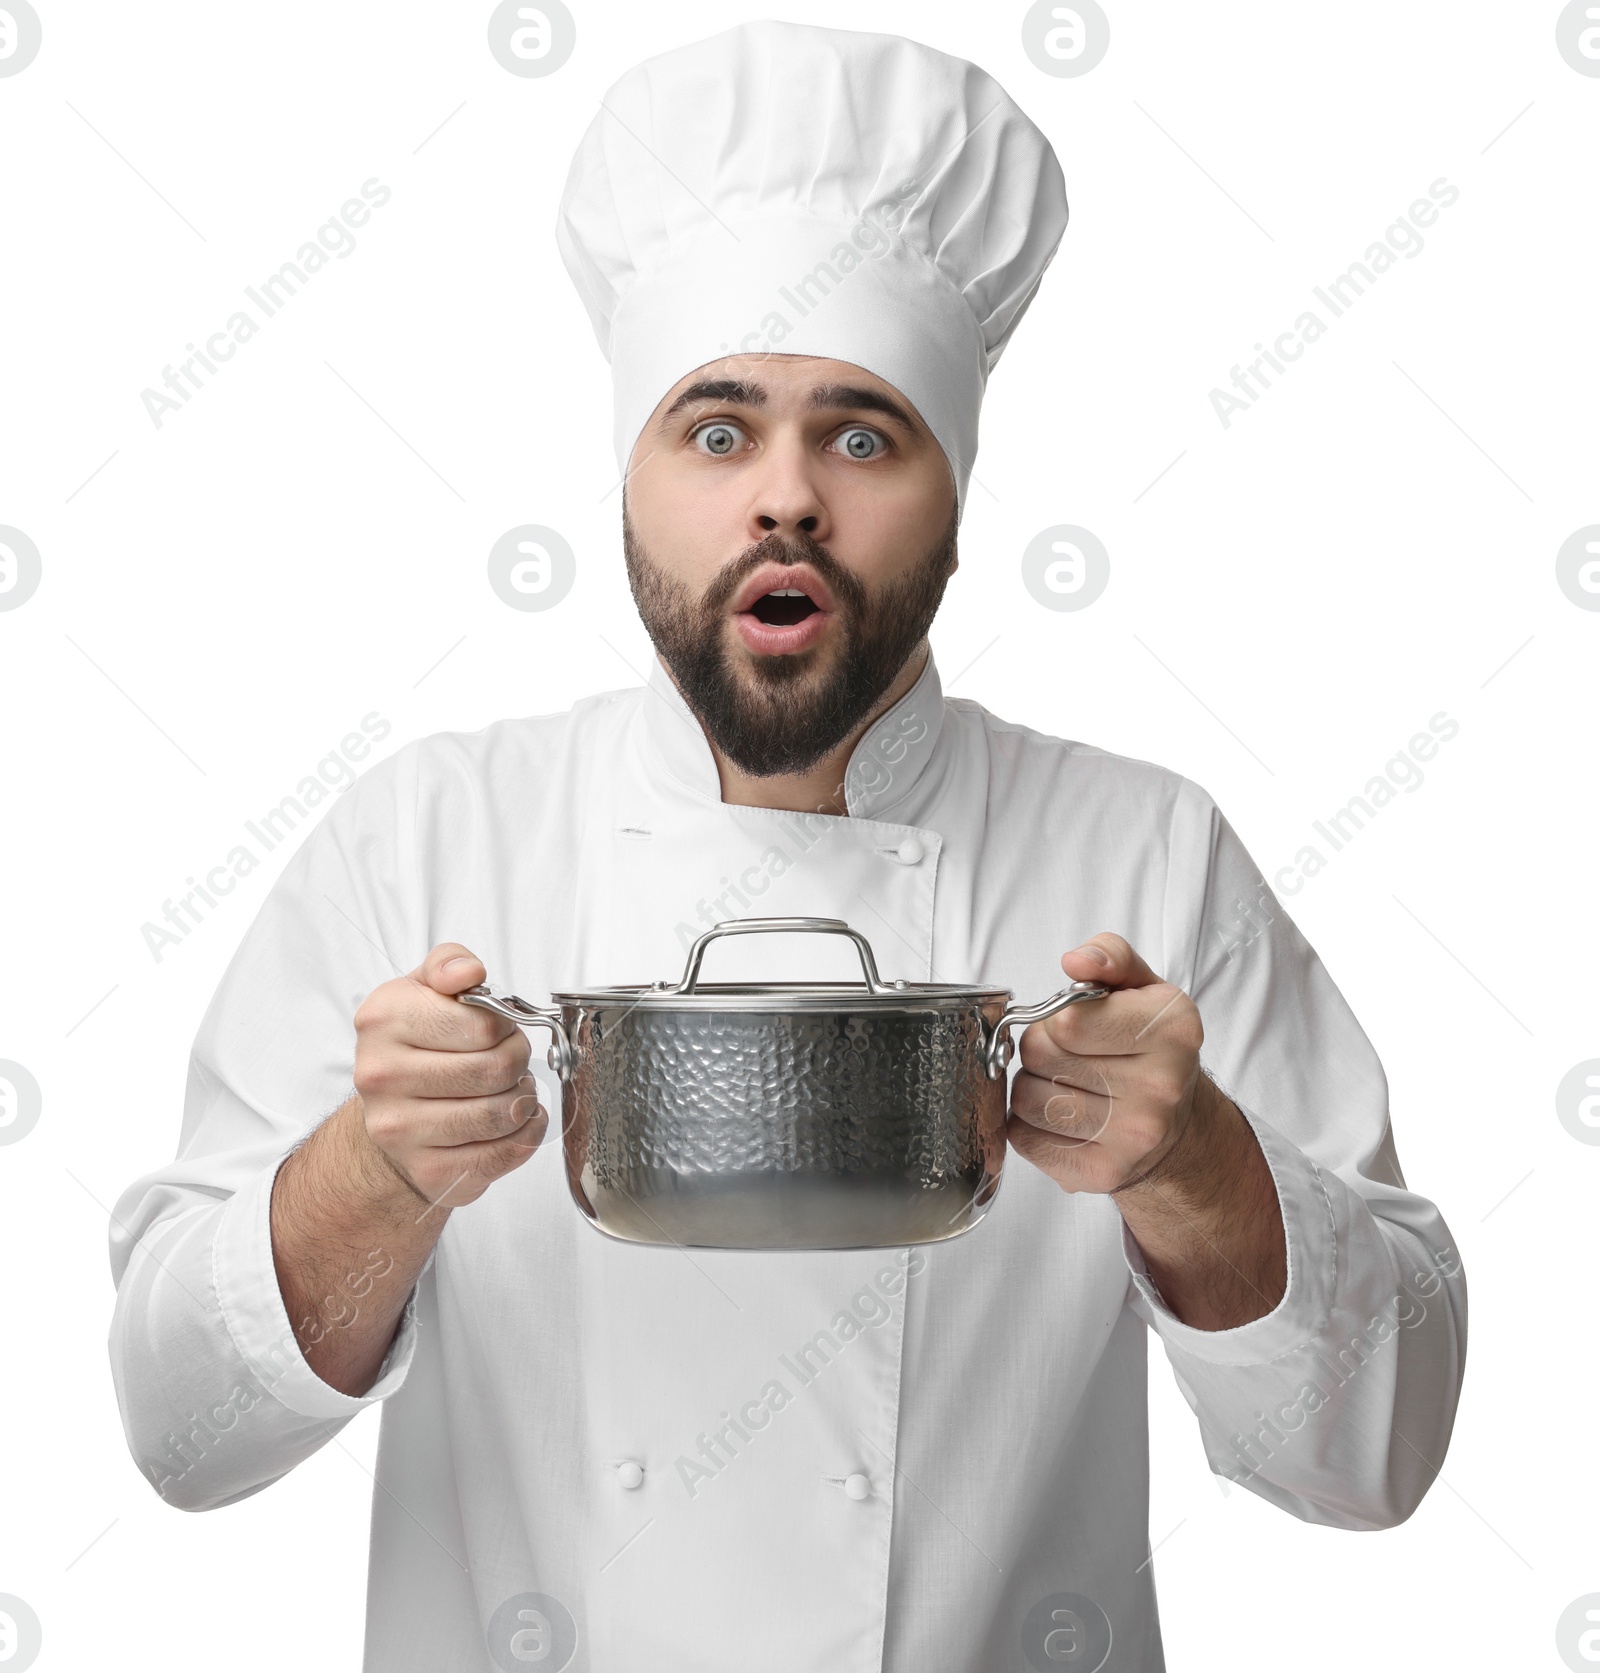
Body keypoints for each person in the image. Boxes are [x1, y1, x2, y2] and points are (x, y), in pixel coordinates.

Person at [107, 20, 1466, 1671]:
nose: (788, 500)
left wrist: (1208, 1177)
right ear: (631, 485)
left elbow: (1381, 1456)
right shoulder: (429, 840)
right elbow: (181, 1437)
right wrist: (367, 1180)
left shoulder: (1144, 852)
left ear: (956, 496)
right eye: (717, 427)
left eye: (864, 435)